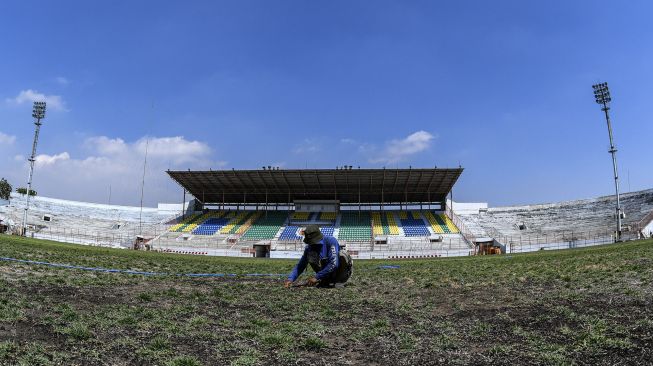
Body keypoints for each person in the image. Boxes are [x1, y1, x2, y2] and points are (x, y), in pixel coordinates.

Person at [284, 224, 352, 288]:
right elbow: (300, 266)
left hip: (339, 273)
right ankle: (326, 280)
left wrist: (316, 277)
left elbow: (334, 264)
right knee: (310, 254)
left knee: (342, 254)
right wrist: (290, 279)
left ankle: (340, 280)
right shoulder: (309, 248)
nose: (311, 244)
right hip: (325, 276)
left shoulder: (330, 241)